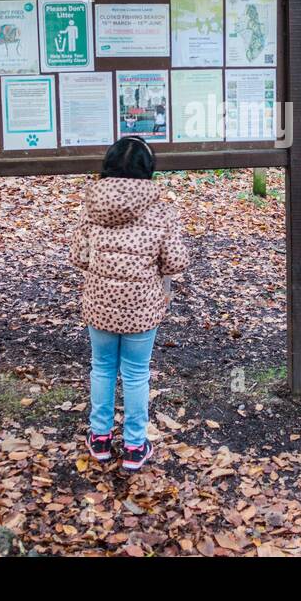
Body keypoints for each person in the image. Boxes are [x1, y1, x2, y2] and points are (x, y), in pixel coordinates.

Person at [69, 137, 189, 471]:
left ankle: (101, 439)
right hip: (142, 307)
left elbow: (78, 257)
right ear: (148, 170)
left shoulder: (90, 208)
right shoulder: (162, 211)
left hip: (100, 304)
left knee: (102, 367)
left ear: (106, 167)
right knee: (136, 374)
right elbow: (175, 262)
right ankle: (136, 446)